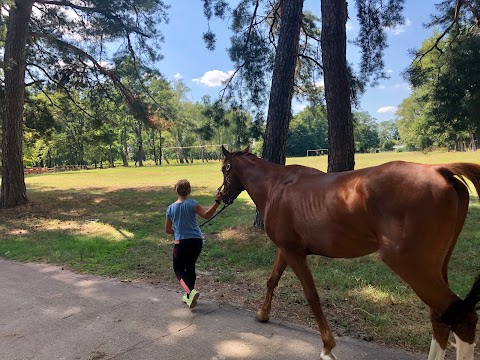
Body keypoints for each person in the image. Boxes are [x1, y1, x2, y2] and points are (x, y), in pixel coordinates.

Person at [164, 179, 224, 309]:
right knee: (190, 266)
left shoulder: (170, 209)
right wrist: (217, 201)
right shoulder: (193, 204)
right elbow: (207, 215)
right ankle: (189, 296)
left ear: (176, 191)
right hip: (196, 242)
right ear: (189, 191)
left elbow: (167, 229)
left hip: (181, 243)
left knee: (178, 268)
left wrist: (176, 231)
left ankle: (191, 291)